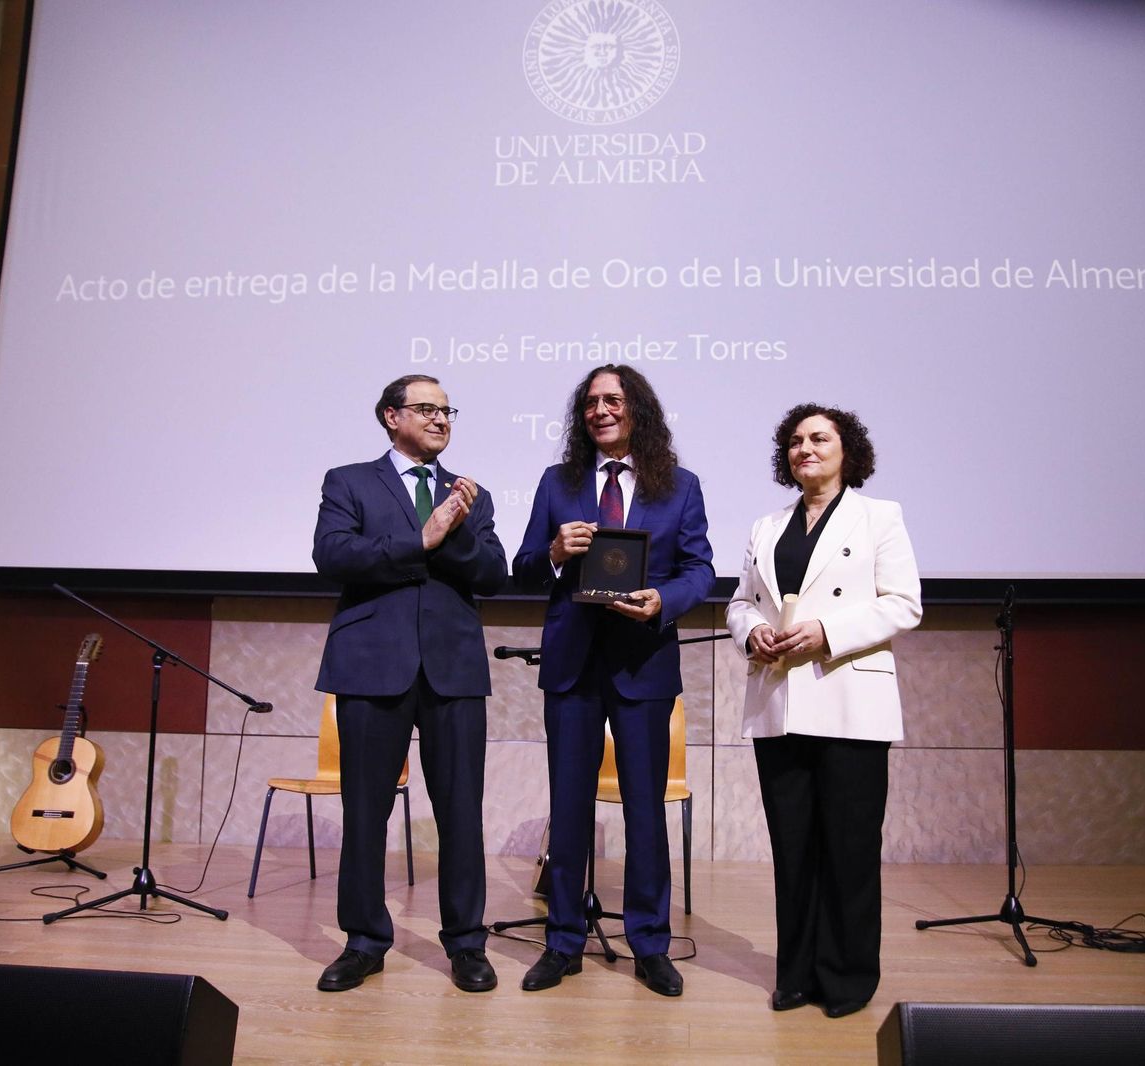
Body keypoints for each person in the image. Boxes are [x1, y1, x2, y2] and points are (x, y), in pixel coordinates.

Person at [512, 365, 714, 996]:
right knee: (568, 807)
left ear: (637, 411)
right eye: (591, 402)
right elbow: (522, 568)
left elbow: (700, 569)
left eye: (614, 400)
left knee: (645, 811)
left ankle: (650, 944)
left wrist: (663, 601)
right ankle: (563, 941)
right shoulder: (558, 482)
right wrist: (553, 552)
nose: (600, 410)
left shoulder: (679, 486)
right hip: (572, 666)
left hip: (643, 666)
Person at [724, 402, 922, 1019]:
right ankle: (797, 974)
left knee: (850, 847)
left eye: (818, 438)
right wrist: (751, 632)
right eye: (794, 441)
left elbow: (904, 603)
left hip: (849, 700)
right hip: (779, 700)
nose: (804, 449)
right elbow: (739, 602)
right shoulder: (766, 526)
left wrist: (827, 632)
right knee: (794, 846)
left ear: (847, 450)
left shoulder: (879, 517)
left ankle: (848, 977)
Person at [312, 373, 507, 994]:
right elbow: (332, 555)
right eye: (426, 409)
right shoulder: (349, 482)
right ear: (391, 417)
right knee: (365, 811)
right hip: (371, 663)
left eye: (447, 411)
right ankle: (364, 942)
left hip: (453, 667)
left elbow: (494, 573)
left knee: (460, 811)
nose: (441, 419)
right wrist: (421, 537)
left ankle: (466, 943)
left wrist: (452, 531)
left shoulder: (469, 494)